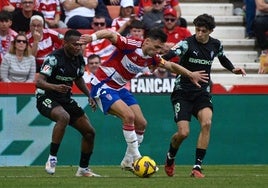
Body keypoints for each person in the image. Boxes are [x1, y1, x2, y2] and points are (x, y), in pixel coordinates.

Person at [79, 28, 209, 171]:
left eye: (161, 48)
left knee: (141, 123)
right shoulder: (131, 45)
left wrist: (190, 74)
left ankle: (128, 160)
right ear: (147, 41)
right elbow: (110, 34)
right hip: (103, 84)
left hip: (120, 88)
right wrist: (92, 37)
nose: (159, 51)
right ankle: (137, 157)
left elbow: (170, 65)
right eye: (157, 47)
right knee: (129, 116)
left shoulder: (153, 58)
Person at [162, 14, 246, 178]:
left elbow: (222, 58)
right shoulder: (186, 43)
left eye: (203, 31)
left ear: (211, 31)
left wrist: (233, 69)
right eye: (197, 30)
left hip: (202, 92)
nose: (200, 33)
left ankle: (197, 167)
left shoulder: (216, 44)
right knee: (183, 133)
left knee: (207, 123)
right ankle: (170, 156)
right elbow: (170, 55)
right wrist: (157, 61)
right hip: (183, 92)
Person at [35, 29, 100, 177]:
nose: (78, 47)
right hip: (46, 96)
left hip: (64, 98)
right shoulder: (53, 59)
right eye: (74, 44)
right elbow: (38, 82)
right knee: (63, 117)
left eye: (80, 45)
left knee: (89, 132)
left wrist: (89, 95)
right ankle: (52, 158)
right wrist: (55, 87)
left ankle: (83, 169)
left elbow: (78, 78)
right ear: (65, 44)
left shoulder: (79, 59)